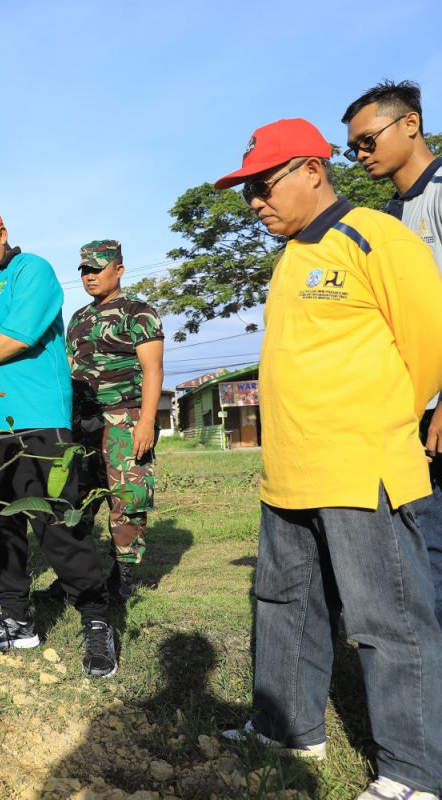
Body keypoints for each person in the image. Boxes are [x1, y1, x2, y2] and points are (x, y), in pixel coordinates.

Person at [212, 118, 442, 800]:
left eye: (265, 184)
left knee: (388, 621)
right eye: (247, 190)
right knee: (284, 602)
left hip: (360, 466)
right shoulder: (291, 256)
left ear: (314, 170)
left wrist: (384, 422)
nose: (256, 201)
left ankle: (415, 770)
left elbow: (428, 342)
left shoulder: (372, 235)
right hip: (289, 472)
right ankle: (289, 728)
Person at [0, 202, 116, 678]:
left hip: (37, 422)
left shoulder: (33, 269)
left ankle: (97, 621)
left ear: (1, 232)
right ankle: (16, 619)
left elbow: (18, 339)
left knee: (56, 525)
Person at [342, 80, 442, 631]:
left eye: (367, 139)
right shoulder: (381, 218)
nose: (361, 154)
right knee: (420, 544)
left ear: (410, 124)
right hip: (406, 410)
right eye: (353, 148)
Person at [65, 240, 163, 601]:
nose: (89, 276)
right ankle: (75, 575)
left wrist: (148, 422)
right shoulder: (78, 319)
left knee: (127, 499)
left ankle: (124, 576)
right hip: (83, 423)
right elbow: (70, 369)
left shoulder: (139, 313)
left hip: (126, 418)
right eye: (85, 270)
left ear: (118, 270)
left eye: (97, 269)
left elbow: (153, 369)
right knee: (78, 499)